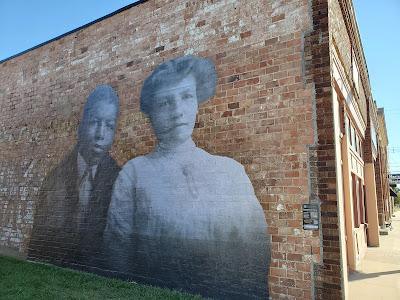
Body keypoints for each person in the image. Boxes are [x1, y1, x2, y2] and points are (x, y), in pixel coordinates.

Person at [104, 56, 270, 299]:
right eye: (164, 103)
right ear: (150, 114)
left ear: (196, 103)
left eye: (186, 97)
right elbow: (117, 251)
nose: (177, 112)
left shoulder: (230, 171)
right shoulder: (135, 173)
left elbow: (256, 250)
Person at [28, 84, 121, 269]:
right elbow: (39, 239)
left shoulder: (119, 179)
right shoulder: (55, 178)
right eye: (95, 122)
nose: (100, 134)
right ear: (81, 125)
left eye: (109, 126)